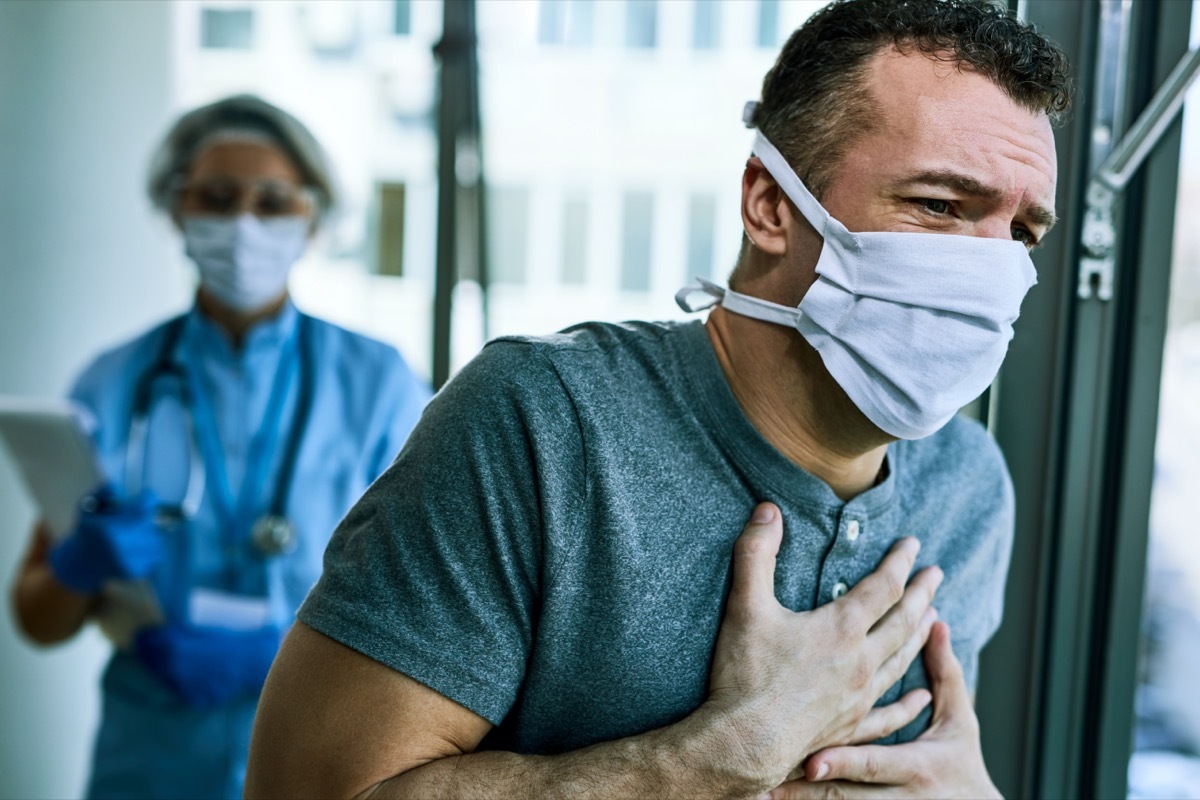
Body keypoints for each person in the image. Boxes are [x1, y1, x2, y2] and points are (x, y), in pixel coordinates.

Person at [246, 0, 1071, 797]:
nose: (992, 273)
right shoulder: (545, 425)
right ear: (770, 205)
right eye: (939, 205)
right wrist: (719, 755)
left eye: (1022, 234)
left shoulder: (969, 490)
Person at [9, 95, 431, 799]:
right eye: (217, 197)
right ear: (177, 210)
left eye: (272, 202)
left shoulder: (381, 383)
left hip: (323, 746)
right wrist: (78, 566)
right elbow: (36, 618)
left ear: (313, 220)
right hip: (150, 757)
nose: (242, 224)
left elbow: (431, 603)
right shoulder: (112, 382)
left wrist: (280, 656)